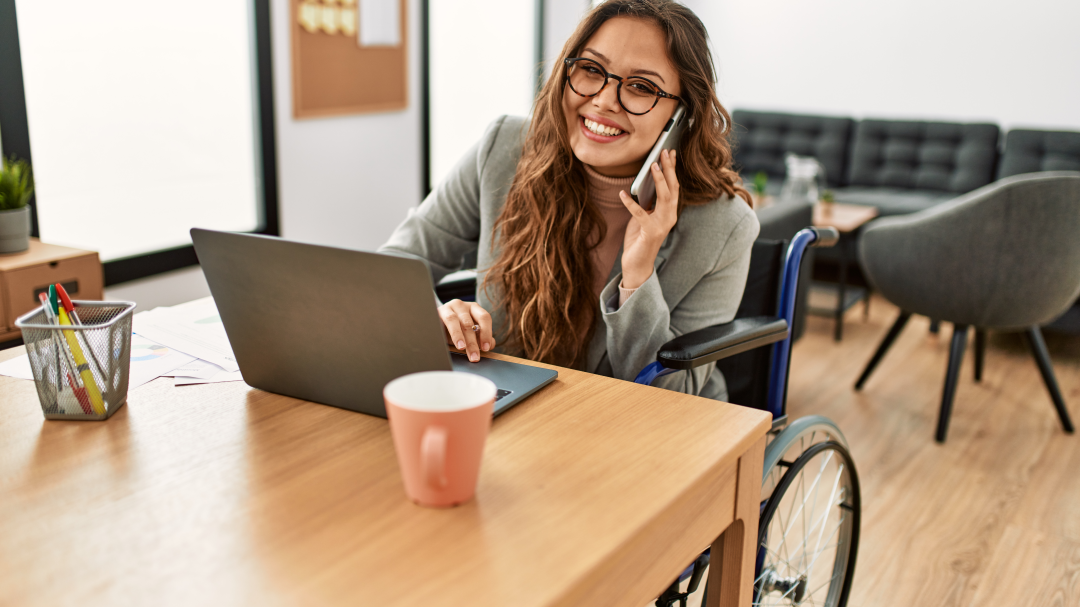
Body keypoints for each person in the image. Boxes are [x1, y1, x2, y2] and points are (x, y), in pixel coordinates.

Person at [380, 0, 757, 401]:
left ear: (680, 117)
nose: (605, 100)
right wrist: (434, 313)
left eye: (641, 87)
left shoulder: (725, 226)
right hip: (512, 416)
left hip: (634, 436)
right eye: (592, 69)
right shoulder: (502, 150)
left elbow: (673, 396)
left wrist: (638, 276)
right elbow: (394, 264)